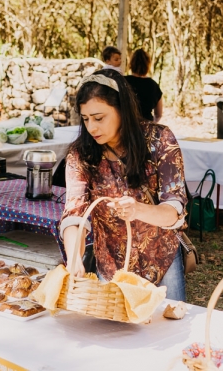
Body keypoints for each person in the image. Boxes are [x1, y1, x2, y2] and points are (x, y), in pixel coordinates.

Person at [61, 69, 188, 301]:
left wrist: (138, 209)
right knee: (115, 333)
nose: (92, 128)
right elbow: (74, 214)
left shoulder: (159, 140)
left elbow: (174, 211)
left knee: (168, 331)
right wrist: (73, 257)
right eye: (86, 119)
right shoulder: (81, 154)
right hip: (111, 268)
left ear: (122, 109)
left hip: (161, 262)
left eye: (99, 118)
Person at [125, 48, 164, 123]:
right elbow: (158, 114)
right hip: (146, 127)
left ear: (131, 63)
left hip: (126, 126)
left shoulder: (123, 81)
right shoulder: (154, 85)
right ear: (148, 64)